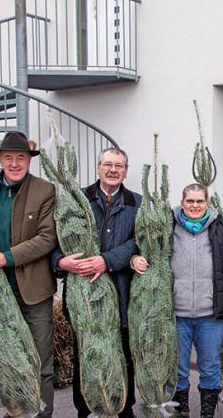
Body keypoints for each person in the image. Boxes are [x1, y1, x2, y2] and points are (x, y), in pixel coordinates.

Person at [53, 147, 143, 418]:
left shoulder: (136, 203)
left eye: (119, 165)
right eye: (107, 164)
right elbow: (56, 239)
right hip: (84, 295)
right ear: (98, 167)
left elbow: (139, 241)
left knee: (123, 352)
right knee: (86, 353)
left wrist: (107, 260)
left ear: (126, 170)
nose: (113, 170)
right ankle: (86, 409)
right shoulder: (75, 199)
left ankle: (124, 408)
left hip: (122, 291)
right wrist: (61, 262)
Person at [0, 131, 57, 417]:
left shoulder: (45, 190)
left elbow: (48, 238)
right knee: (9, 359)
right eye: (8, 157)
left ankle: (41, 413)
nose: (14, 163)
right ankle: (18, 411)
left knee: (41, 362)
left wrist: (5, 258)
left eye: (20, 157)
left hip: (34, 291)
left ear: (29, 161)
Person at [168, 183, 223, 418]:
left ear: (206, 203)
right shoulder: (169, 228)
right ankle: (182, 413)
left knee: (209, 368)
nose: (195, 206)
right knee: (178, 370)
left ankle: (206, 414)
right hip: (176, 315)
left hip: (210, 316)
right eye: (190, 201)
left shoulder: (217, 230)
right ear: (182, 202)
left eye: (200, 201)